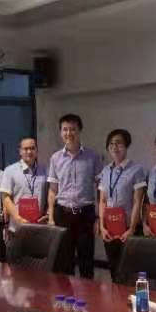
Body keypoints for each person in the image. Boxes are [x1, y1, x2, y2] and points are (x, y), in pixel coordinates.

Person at [46, 114, 102, 278]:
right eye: (65, 129)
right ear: (60, 132)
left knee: (86, 261)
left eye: (72, 129)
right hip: (62, 213)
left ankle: (89, 294)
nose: (68, 133)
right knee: (63, 262)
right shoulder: (56, 158)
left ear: (79, 131)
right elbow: (52, 190)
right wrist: (51, 216)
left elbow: (100, 188)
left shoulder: (93, 156)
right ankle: (65, 294)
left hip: (85, 214)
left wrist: (99, 217)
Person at [98, 129, 147, 282]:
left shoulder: (136, 170)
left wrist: (131, 228)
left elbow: (138, 201)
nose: (115, 147)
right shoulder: (105, 171)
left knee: (130, 273)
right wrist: (102, 227)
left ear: (126, 146)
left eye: (119, 143)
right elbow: (102, 201)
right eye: (111, 144)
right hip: (109, 229)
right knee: (114, 271)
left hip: (128, 228)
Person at [0, 137, 48, 246]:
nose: (29, 151)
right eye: (25, 149)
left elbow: (48, 194)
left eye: (32, 148)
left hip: (39, 228)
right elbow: (6, 198)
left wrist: (48, 214)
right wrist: (18, 218)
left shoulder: (44, 170)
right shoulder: (10, 170)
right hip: (17, 228)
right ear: (20, 151)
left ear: (37, 150)